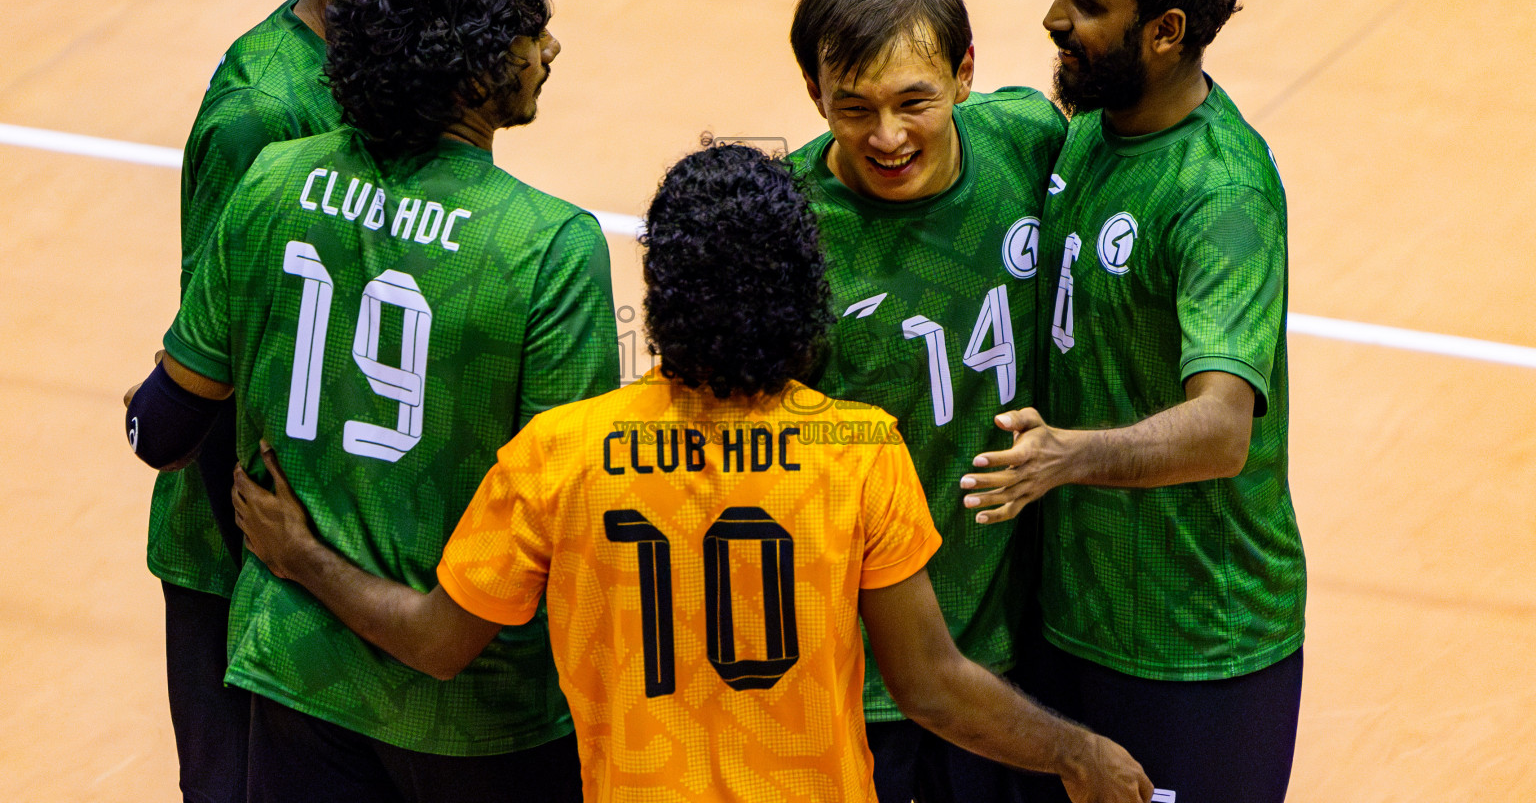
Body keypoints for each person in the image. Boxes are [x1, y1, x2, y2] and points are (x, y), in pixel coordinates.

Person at [228, 143, 1153, 803]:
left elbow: (438, 641)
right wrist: (1075, 755)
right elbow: (933, 685)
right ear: (803, 291)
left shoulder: (563, 451)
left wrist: (305, 558)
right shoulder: (858, 449)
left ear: (659, 294)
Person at [126, 0, 617, 802]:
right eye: (528, 33)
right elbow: (565, 527)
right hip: (477, 716)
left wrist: (302, 554)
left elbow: (166, 421)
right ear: (471, 69)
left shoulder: (274, 180)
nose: (549, 50)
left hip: (296, 677)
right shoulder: (548, 245)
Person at [965, 0, 1305, 803]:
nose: (1052, 19)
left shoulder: (1221, 195)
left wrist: (1068, 457)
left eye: (1085, 5)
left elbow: (1222, 428)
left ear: (1165, 30)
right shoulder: (1089, 133)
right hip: (1070, 619)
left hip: (1199, 646)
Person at [146, 0, 444, 803]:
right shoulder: (261, 113)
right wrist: (280, 546)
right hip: (248, 543)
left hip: (345, 524)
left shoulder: (414, 52)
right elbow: (220, 346)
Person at [783, 0, 1067, 803]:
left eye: (916, 101)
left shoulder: (1025, 139)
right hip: (864, 681)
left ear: (966, 73)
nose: (888, 137)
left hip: (1020, 654)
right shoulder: (789, 230)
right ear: (812, 91)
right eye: (854, 108)